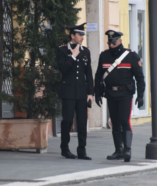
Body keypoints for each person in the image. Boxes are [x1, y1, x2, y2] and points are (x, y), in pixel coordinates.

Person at [94, 30, 145, 162]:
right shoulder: (104, 56)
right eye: (109, 42)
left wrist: (141, 95)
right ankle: (118, 150)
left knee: (124, 120)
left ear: (120, 41)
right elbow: (98, 76)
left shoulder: (131, 56)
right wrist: (98, 93)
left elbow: (140, 77)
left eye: (114, 42)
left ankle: (127, 149)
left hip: (125, 93)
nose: (111, 45)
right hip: (110, 93)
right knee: (114, 122)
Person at [57, 23, 94, 160]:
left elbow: (88, 73)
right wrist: (72, 57)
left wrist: (90, 92)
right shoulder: (62, 50)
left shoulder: (86, 51)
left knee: (82, 121)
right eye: (80, 35)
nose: (82, 37)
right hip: (68, 92)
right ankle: (65, 148)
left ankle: (82, 150)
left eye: (83, 35)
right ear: (72, 36)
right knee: (67, 120)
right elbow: (62, 69)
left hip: (81, 92)